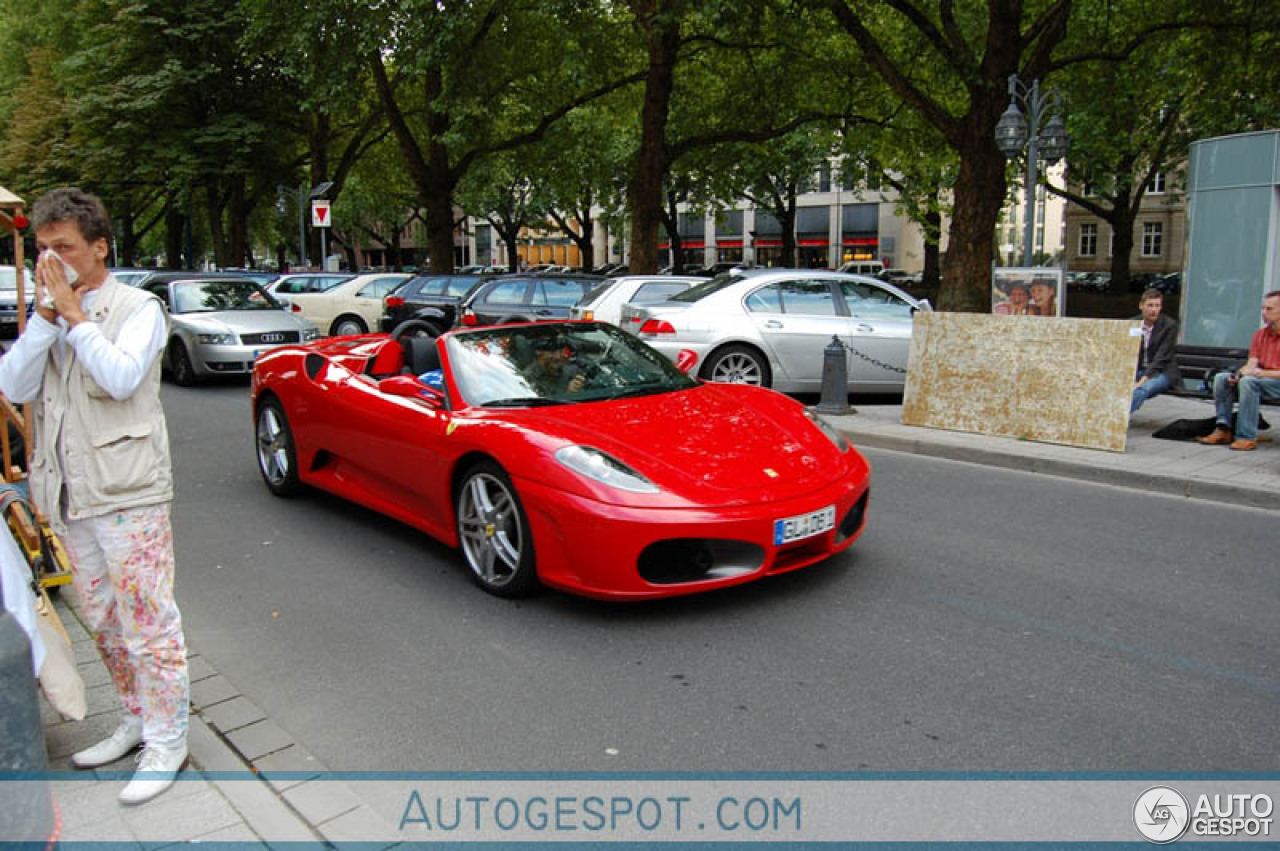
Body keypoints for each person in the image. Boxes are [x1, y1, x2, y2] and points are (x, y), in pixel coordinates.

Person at [0, 188, 189, 805]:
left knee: (147, 620)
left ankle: (169, 736)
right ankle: (135, 718)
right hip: (69, 493)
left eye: (64, 249)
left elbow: (120, 377)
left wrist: (77, 321)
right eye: (42, 251)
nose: (50, 262)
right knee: (104, 620)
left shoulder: (138, 308)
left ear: (99, 247)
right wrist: (47, 320)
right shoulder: (52, 314)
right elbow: (14, 383)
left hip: (127, 490)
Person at [1198, 290, 1280, 451]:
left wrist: (1260, 374)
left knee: (1249, 382)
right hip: (1261, 381)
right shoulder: (1260, 335)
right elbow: (1252, 364)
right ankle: (1223, 429)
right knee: (1222, 378)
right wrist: (1238, 375)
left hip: (1274, 382)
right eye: (1263, 308)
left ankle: (1246, 437)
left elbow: (1258, 373)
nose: (1264, 313)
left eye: (1269, 309)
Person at [1130, 287, 1181, 414]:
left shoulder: (1169, 325)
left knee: (1141, 389)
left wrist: (1142, 381)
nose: (1154, 310)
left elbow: (1161, 358)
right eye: (1150, 305)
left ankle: (1119, 419)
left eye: (1157, 306)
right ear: (1141, 306)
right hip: (1138, 370)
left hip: (1161, 372)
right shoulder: (1132, 323)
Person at [520, 337, 588, 396]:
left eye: (561, 351)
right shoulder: (527, 380)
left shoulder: (569, 370)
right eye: (552, 352)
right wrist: (569, 395)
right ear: (538, 352)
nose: (558, 356)